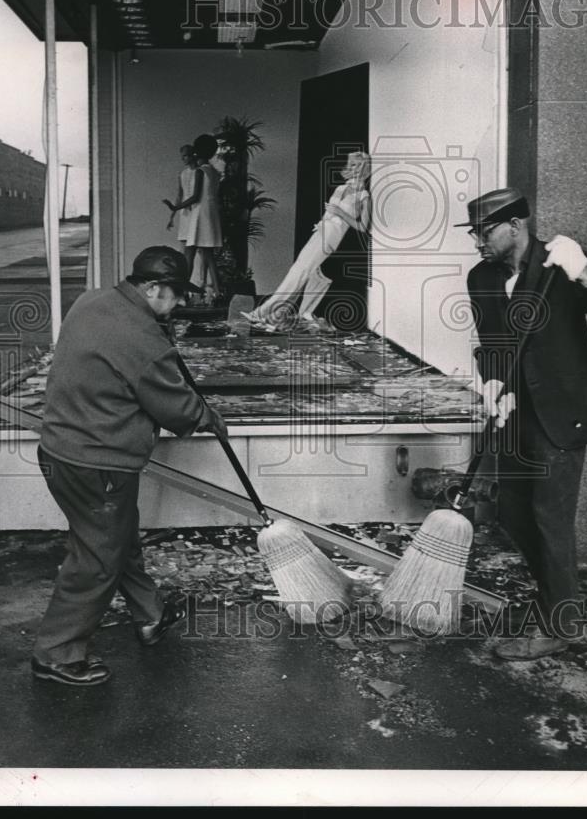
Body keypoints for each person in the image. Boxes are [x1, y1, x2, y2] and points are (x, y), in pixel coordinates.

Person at [31, 246, 228, 686]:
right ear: (153, 288)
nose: (178, 304)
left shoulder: (93, 300)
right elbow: (174, 409)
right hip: (97, 462)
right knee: (98, 556)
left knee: (116, 540)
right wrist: (207, 416)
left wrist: (161, 332)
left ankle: (150, 615)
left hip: (61, 449)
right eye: (175, 295)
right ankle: (55, 653)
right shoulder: (144, 340)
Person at [459, 187, 587, 661]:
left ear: (515, 226)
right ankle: (560, 601)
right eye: (474, 232)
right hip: (514, 416)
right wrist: (492, 384)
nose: (476, 240)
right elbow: (490, 345)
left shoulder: (562, 265)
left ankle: (560, 625)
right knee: (513, 513)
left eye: (483, 230)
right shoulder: (481, 278)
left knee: (550, 519)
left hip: (562, 414)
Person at [241, 150, 371, 331]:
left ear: (365, 168)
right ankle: (276, 317)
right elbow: (329, 213)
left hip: (332, 236)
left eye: (356, 165)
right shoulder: (341, 188)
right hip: (321, 231)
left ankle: (262, 313)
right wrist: (322, 222)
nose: (352, 168)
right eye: (351, 165)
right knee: (307, 273)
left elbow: (362, 227)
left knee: (299, 273)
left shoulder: (364, 195)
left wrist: (340, 213)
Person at [164, 134, 222, 304]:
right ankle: (219, 292)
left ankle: (182, 292)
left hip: (199, 215)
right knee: (209, 255)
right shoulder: (214, 172)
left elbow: (195, 197)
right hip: (210, 214)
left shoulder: (199, 171)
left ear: (197, 152)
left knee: (189, 253)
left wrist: (175, 208)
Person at [166, 144, 197, 270]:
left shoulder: (200, 172)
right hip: (185, 213)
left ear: (192, 155)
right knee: (184, 248)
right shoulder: (183, 174)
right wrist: (172, 217)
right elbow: (179, 196)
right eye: (182, 156)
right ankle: (184, 281)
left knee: (195, 248)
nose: (183, 159)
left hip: (196, 212)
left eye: (185, 156)